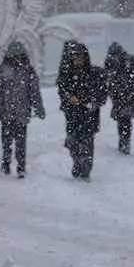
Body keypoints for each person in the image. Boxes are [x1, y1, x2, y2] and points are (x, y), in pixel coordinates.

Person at [0, 41, 45, 178]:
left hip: (19, 113)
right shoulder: (5, 70)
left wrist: (38, 107)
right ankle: (7, 164)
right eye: (14, 55)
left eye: (18, 55)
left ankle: (20, 166)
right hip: (8, 113)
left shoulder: (25, 70)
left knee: (19, 142)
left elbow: (34, 92)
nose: (16, 58)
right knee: (8, 141)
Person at [56, 40, 107, 181]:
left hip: (89, 115)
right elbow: (62, 91)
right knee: (73, 142)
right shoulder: (66, 75)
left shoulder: (95, 74)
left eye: (80, 57)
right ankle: (77, 163)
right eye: (75, 57)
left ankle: (86, 169)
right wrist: (69, 99)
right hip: (72, 114)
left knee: (87, 143)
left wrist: (91, 103)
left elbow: (102, 94)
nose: (78, 60)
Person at [104, 42, 134, 155]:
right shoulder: (110, 61)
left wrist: (133, 90)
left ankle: (125, 141)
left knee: (125, 119)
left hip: (127, 94)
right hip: (117, 95)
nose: (113, 57)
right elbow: (107, 76)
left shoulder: (129, 60)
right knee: (121, 119)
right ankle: (123, 140)